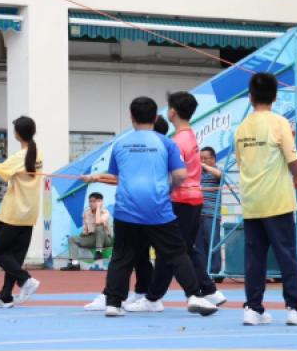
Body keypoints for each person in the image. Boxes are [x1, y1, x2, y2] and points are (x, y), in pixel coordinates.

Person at [81, 96, 218, 318]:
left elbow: (115, 176)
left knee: (122, 256)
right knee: (176, 252)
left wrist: (94, 177)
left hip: (127, 209)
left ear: (131, 117)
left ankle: (113, 303)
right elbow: (180, 174)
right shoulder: (167, 143)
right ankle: (194, 295)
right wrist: (167, 189)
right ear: (155, 117)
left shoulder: (120, 144)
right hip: (158, 208)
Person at [125, 92, 226, 312]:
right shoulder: (189, 136)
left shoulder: (177, 142)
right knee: (182, 249)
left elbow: (174, 174)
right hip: (194, 198)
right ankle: (208, 290)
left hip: (181, 199)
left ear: (172, 112)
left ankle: (159, 297)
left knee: (170, 250)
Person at [235, 72, 297, 326]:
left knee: (254, 258)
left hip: (252, 202)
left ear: (250, 97)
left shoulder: (241, 128)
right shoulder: (279, 123)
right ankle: (295, 308)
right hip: (277, 201)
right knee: (286, 256)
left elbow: (241, 163)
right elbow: (293, 158)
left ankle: (253, 308)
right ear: (275, 96)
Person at [82, 113, 167, 311]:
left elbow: (121, 178)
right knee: (140, 254)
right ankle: (144, 293)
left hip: (139, 210)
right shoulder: (160, 150)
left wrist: (96, 177)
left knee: (125, 255)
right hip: (150, 210)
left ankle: (112, 296)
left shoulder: (150, 151)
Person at [0, 116, 43, 308]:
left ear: (17, 134)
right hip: (29, 213)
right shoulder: (37, 153)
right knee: (15, 257)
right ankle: (5, 296)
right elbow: (5, 168)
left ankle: (25, 280)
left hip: (13, 213)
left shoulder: (19, 157)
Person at [61, 193, 112, 271]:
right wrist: (83, 235)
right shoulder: (86, 213)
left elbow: (98, 222)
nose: (91, 203)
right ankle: (75, 264)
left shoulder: (105, 212)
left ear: (100, 202)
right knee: (72, 239)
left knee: (99, 227)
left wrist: (98, 208)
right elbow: (85, 230)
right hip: (92, 238)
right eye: (90, 201)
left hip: (105, 239)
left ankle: (99, 252)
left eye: (94, 201)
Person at [195, 146, 223, 280]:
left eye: (205, 158)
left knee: (213, 243)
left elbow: (221, 176)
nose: (202, 161)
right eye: (200, 158)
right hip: (197, 214)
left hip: (211, 214)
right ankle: (202, 273)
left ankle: (215, 272)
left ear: (213, 159)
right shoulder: (197, 173)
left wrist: (204, 166)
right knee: (199, 246)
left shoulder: (216, 171)